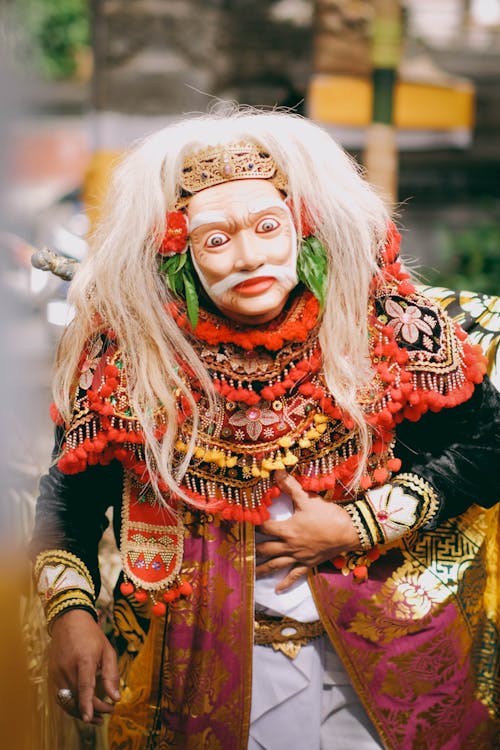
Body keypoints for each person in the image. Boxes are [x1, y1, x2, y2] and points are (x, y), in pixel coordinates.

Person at [30, 109, 500, 749]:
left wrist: (358, 523)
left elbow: (488, 443)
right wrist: (72, 615)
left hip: (389, 655)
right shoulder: (129, 354)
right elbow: (70, 496)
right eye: (216, 240)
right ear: (177, 252)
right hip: (195, 665)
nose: (249, 257)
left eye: (268, 227)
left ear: (302, 228)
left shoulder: (382, 320)